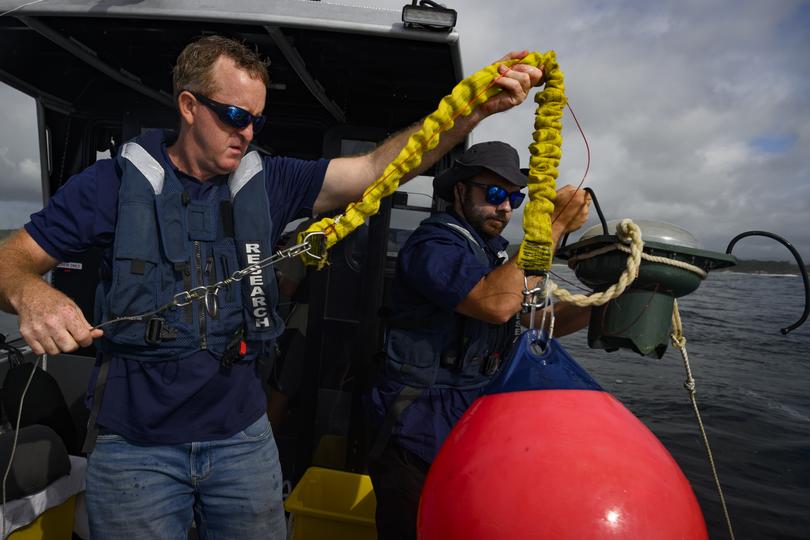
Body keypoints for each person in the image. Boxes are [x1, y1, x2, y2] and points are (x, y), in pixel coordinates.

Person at [0, 34, 543, 540]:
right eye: (235, 116)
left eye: (257, 120)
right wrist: (33, 293)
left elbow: (382, 167)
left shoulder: (272, 180)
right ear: (189, 107)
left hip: (242, 441)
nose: (248, 133)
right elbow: (11, 262)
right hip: (135, 448)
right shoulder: (109, 186)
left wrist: (474, 108)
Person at [367, 141, 592, 540]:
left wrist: (604, 304)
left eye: (514, 197)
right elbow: (496, 306)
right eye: (493, 194)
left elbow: (536, 317)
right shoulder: (432, 246)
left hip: (469, 425)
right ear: (459, 192)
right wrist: (554, 227)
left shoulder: (490, 258)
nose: (505, 207)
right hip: (416, 432)